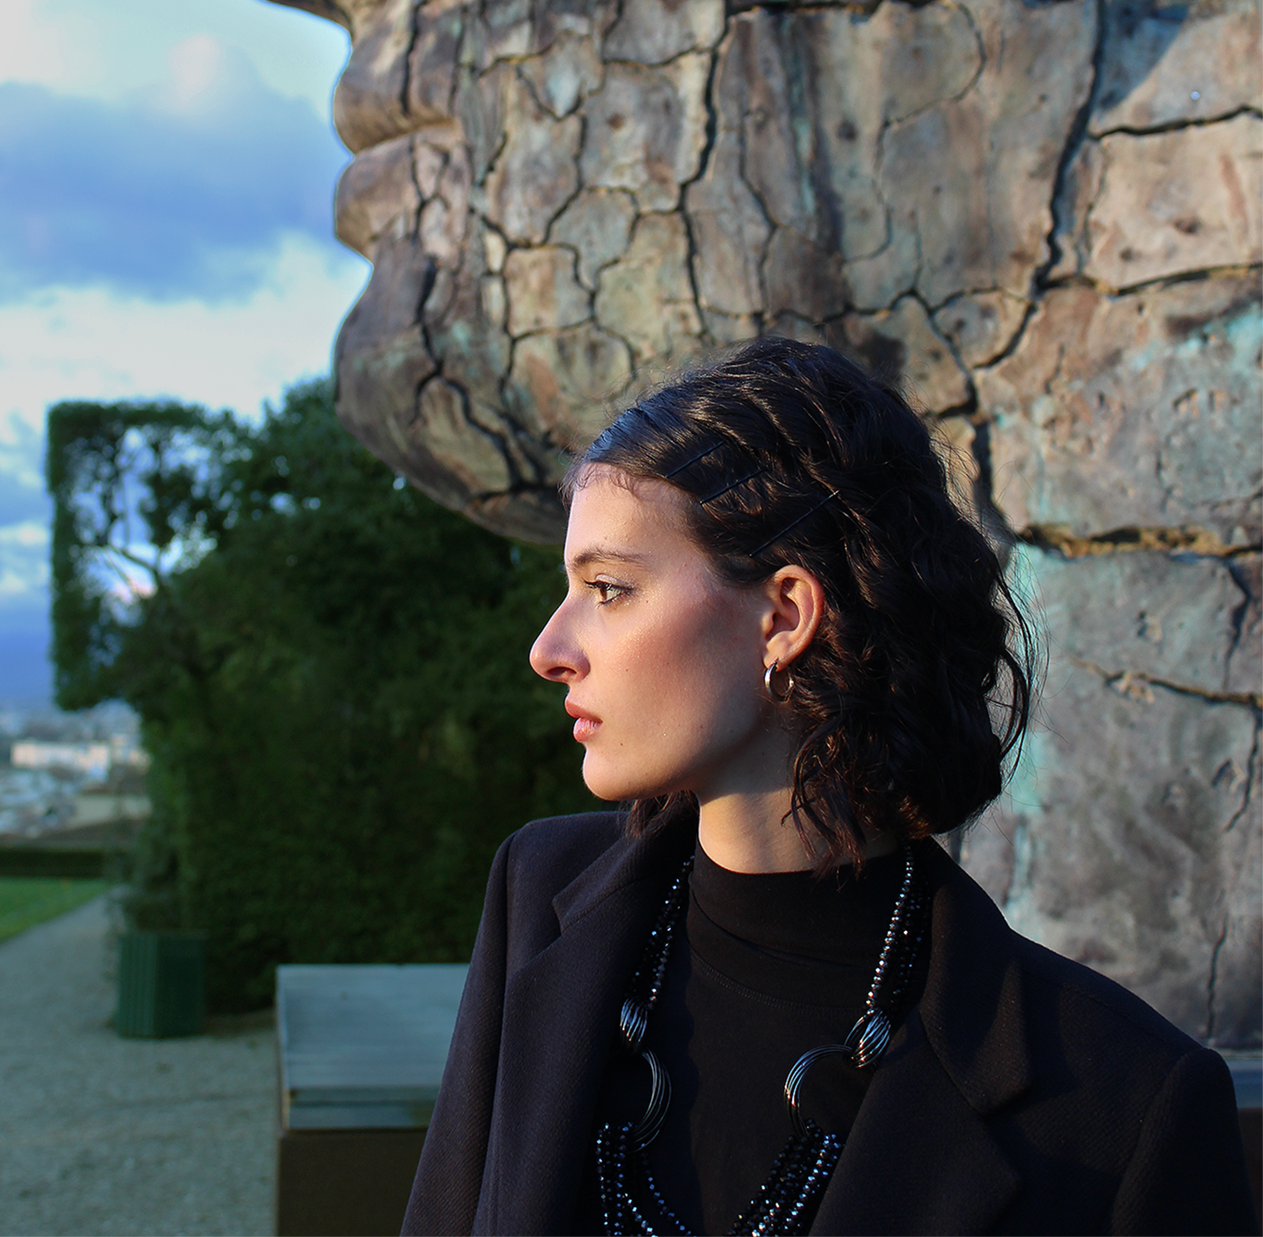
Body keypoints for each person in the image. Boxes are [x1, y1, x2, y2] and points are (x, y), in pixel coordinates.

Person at [400, 338, 1257, 1237]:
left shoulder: (1126, 1106)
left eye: (608, 589)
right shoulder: (538, 902)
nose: (548, 650)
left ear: (784, 615)